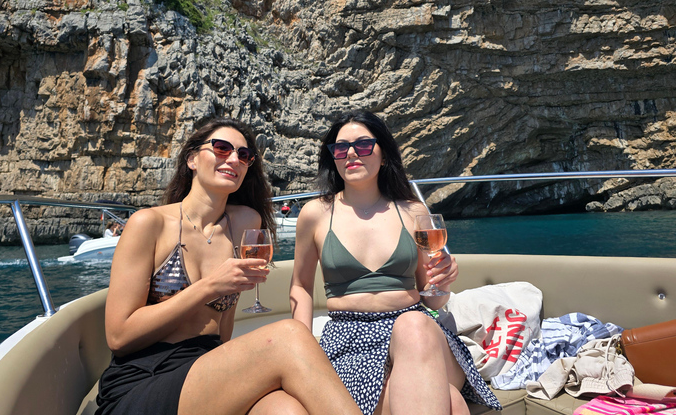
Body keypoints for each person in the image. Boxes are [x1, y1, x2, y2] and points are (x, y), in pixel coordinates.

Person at [95, 117, 361, 415]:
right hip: (144, 377)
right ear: (192, 159)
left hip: (205, 367)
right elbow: (119, 338)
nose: (234, 158)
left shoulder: (246, 224)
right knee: (288, 336)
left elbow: (223, 330)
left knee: (285, 410)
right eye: (222, 148)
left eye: (244, 155)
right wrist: (210, 286)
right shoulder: (149, 223)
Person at [290, 110, 502, 415]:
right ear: (333, 159)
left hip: (418, 334)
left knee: (413, 324)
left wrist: (443, 283)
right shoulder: (315, 214)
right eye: (340, 148)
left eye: (363, 145)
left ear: (384, 155)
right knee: (451, 403)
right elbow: (300, 286)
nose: (351, 153)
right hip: (350, 339)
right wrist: (303, 346)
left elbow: (434, 299)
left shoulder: (413, 211)